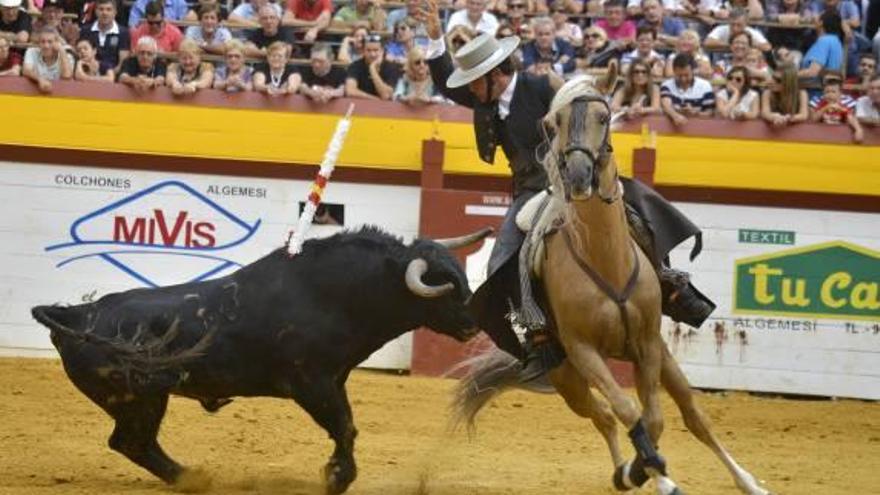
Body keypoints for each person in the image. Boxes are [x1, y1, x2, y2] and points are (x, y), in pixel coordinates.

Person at [421, 0, 715, 376]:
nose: (471, 90)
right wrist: (434, 38)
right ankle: (538, 333)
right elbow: (447, 83)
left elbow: (581, 107)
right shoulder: (485, 98)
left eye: (476, 80)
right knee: (501, 262)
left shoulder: (541, 84)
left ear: (495, 74)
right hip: (530, 191)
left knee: (637, 212)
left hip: (572, 179)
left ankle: (672, 287)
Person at [660, 52, 716, 125]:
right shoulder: (667, 85)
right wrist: (675, 115)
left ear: (693, 71)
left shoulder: (705, 85)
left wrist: (696, 113)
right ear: (674, 71)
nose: (683, 79)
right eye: (679, 75)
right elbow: (666, 105)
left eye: (686, 75)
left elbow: (710, 112)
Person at [79, 0, 129, 74]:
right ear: (96, 11)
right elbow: (81, 56)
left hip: (113, 77)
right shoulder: (86, 31)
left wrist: (109, 76)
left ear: (115, 12)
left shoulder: (123, 33)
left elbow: (122, 63)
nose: (104, 13)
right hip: (88, 75)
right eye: (101, 9)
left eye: (108, 9)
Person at [345, 32, 400, 99]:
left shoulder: (392, 67)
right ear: (363, 51)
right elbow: (350, 91)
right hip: (361, 105)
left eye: (376, 50)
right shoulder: (355, 66)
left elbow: (386, 95)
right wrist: (374, 99)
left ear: (382, 51)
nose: (372, 54)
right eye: (368, 50)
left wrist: (372, 69)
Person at [810, 74, 864, 142]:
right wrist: (825, 108)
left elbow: (851, 118)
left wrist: (858, 129)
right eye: (827, 92)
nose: (830, 94)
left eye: (833, 92)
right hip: (822, 134)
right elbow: (813, 119)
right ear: (823, 93)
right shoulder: (821, 104)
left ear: (840, 94)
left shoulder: (842, 106)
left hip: (839, 135)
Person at [22, 26, 73, 92]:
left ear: (57, 42)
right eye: (43, 42)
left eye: (50, 42)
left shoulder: (66, 55)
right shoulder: (31, 52)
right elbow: (26, 70)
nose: (46, 46)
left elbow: (67, 76)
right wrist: (40, 79)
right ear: (38, 43)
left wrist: (61, 50)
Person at [799, 10, 845, 78]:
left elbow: (812, 72)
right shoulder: (836, 40)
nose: (814, 20)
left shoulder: (824, 41)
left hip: (815, 87)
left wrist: (790, 76)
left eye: (817, 18)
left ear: (821, 23)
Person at [704, 8, 772, 52]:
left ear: (745, 24)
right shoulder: (721, 29)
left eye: (739, 25)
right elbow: (707, 42)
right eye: (732, 24)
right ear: (728, 21)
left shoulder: (752, 32)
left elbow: (767, 47)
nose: (735, 28)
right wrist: (731, 44)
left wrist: (747, 45)